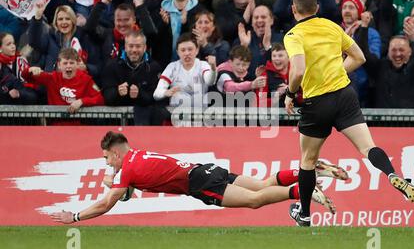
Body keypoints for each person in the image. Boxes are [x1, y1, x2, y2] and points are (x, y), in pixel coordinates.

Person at [283, 0, 414, 227]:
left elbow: (297, 70)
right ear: (317, 9)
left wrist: (290, 92)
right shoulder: (332, 27)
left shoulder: (294, 35)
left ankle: (304, 213)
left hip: (317, 102)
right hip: (345, 95)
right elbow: (359, 58)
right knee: (368, 147)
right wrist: (335, 72)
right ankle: (392, 175)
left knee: (307, 160)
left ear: (294, 9)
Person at [50, 131, 347, 224]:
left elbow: (108, 204)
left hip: (199, 183)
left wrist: (74, 216)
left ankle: (302, 194)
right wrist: (115, 183)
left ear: (114, 153)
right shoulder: (137, 155)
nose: (106, 162)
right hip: (204, 168)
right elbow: (127, 191)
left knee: (255, 201)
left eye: (106, 158)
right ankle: (306, 171)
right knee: (264, 184)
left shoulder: (125, 168)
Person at [101, 30, 164, 125]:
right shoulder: (111, 66)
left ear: (144, 48)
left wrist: (140, 94)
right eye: (131, 46)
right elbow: (106, 96)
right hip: (116, 125)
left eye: (138, 46)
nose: (134, 50)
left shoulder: (154, 67)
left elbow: (158, 98)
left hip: (145, 126)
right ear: (125, 47)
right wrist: (117, 92)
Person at [21, 47, 104, 113]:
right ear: (59, 65)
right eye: (65, 63)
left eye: (71, 63)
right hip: (56, 125)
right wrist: (30, 70)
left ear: (77, 64)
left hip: (79, 126)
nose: (68, 66)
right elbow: (26, 77)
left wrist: (82, 101)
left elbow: (100, 99)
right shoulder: (52, 77)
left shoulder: (86, 79)